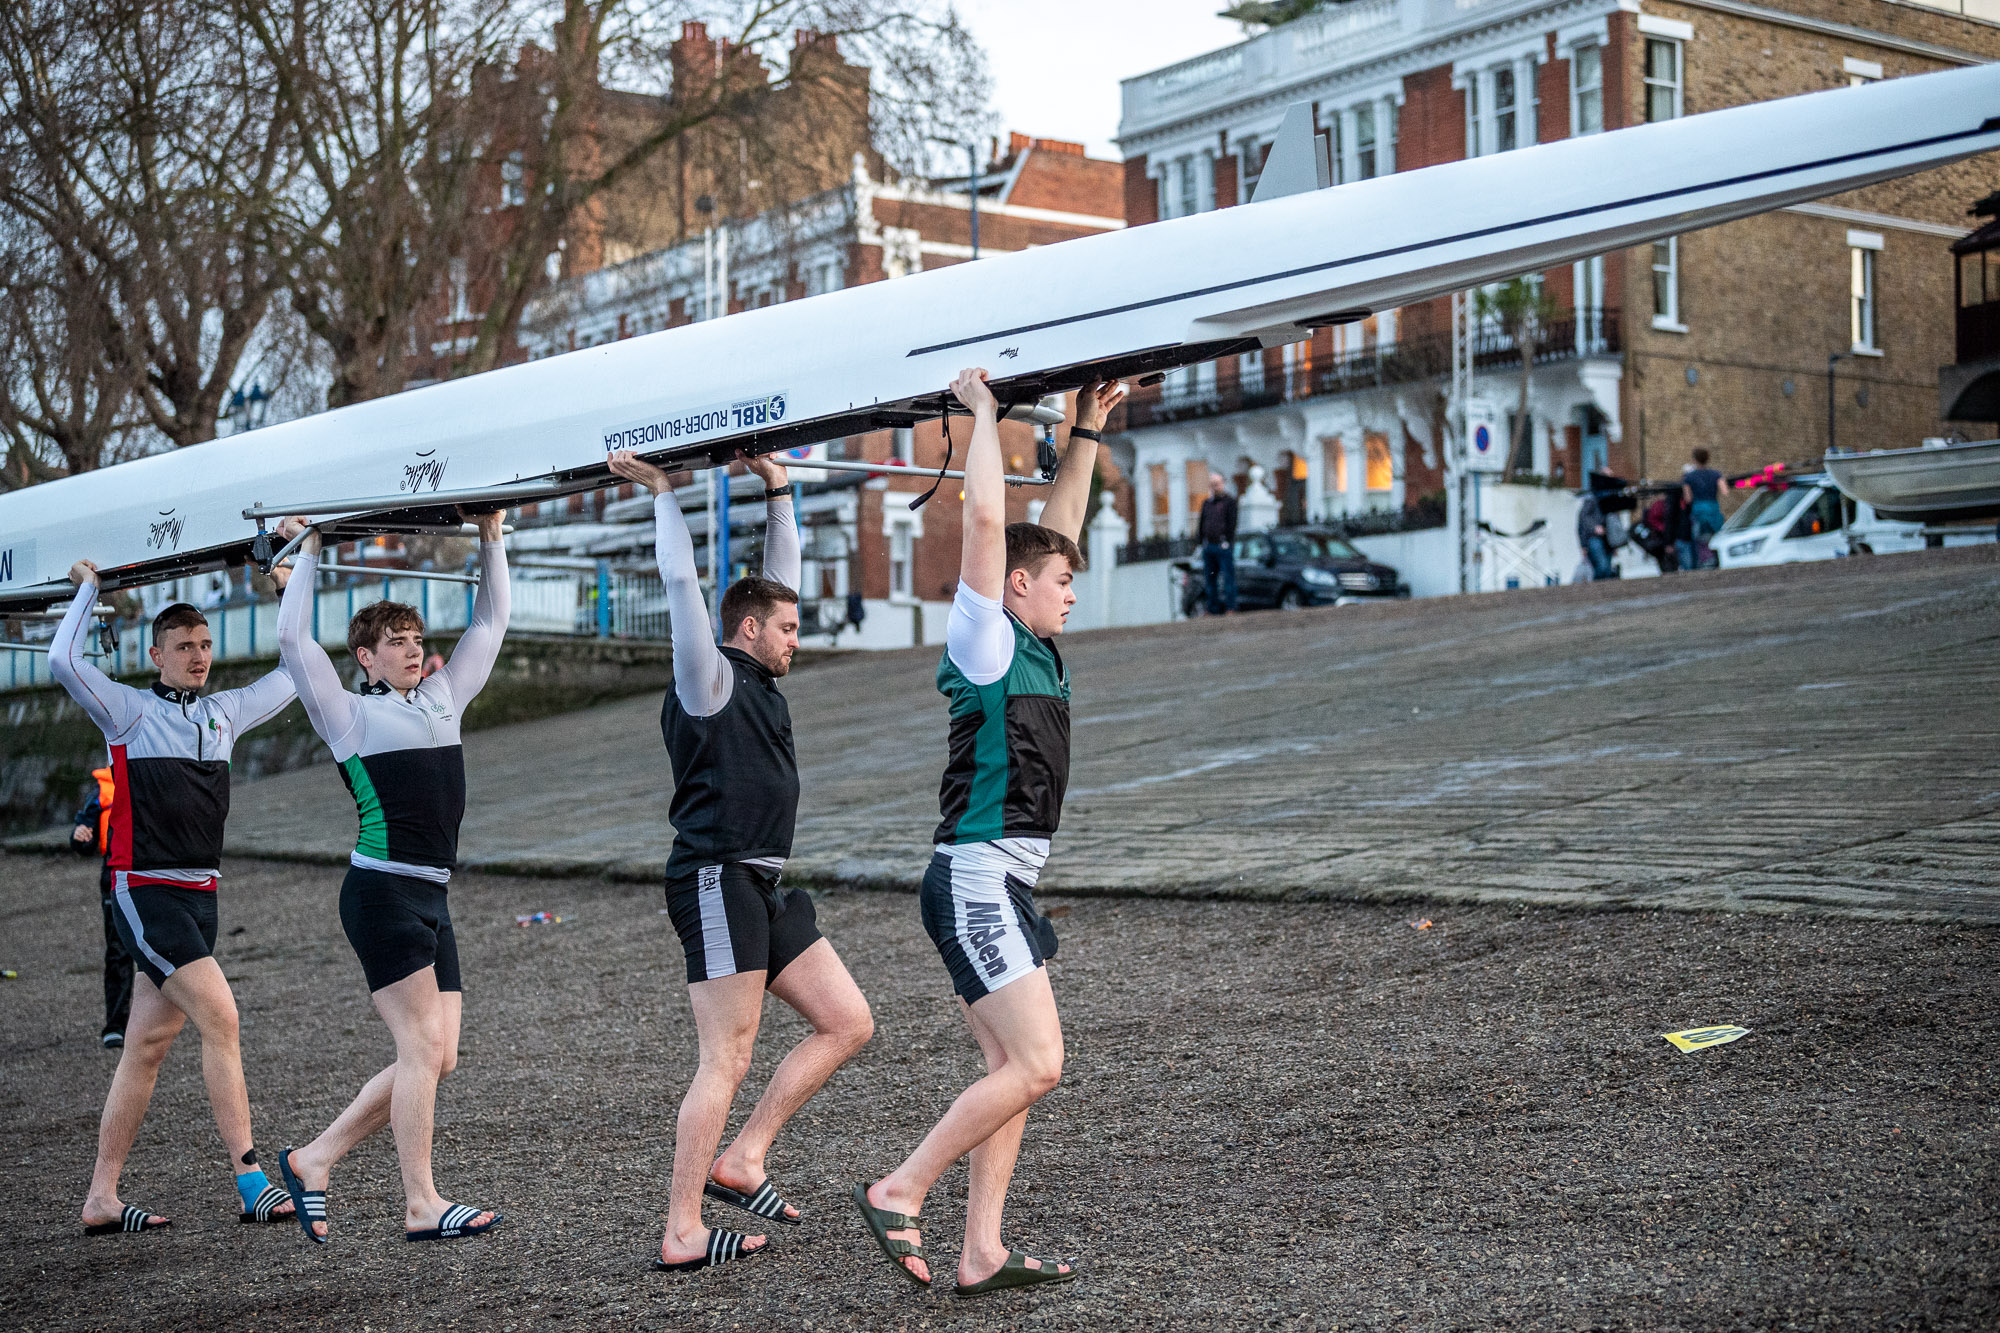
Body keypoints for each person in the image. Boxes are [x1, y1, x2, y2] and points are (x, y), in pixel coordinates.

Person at [853, 374, 1122, 1299]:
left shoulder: (1039, 642)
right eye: (1059, 583)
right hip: (976, 877)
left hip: (1003, 882)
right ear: (1017, 587)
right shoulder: (988, 639)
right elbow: (985, 530)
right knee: (1040, 1062)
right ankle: (902, 1185)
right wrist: (979, 421)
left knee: (1011, 1067)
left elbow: (1056, 532)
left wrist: (1083, 430)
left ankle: (981, 1250)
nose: (1071, 592)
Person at [604, 447, 875, 1274]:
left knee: (848, 1021)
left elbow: (776, 584)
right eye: (786, 628)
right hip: (714, 876)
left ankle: (744, 1157)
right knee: (726, 1055)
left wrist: (780, 486)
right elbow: (686, 589)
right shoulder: (708, 678)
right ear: (747, 630)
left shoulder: (760, 674)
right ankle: (682, 1226)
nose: (798, 637)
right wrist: (663, 494)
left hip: (761, 881)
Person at [271, 512, 509, 1245]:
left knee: (440, 1055)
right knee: (418, 1048)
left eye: (415, 641)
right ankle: (420, 1203)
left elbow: (492, 622)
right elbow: (292, 640)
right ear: (366, 659)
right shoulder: (347, 716)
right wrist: (307, 552)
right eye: (394, 644)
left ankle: (314, 1157)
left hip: (431, 895)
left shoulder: (443, 699)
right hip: (380, 892)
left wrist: (492, 536)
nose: (411, 650)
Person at [49, 569, 299, 1236]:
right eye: (182, 645)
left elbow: (299, 667)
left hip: (201, 897)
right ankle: (250, 1179)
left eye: (205, 643)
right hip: (143, 890)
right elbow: (61, 659)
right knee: (223, 1014)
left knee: (146, 1047)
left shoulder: (225, 712)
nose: (198, 655)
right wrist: (90, 588)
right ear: (155, 654)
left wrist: (287, 582)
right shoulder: (127, 711)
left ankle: (101, 1195)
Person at [70, 766, 133, 1048]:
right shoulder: (101, 791)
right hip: (115, 875)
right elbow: (87, 832)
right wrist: (80, 836)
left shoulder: (158, 769)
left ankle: (160, 1020)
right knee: (118, 949)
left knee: (161, 947)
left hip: (154, 871)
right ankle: (116, 1025)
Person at [1196, 472, 1238, 614]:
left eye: (1217, 484)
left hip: (1222, 545)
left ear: (1222, 484)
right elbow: (1201, 523)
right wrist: (1201, 541)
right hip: (1209, 546)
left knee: (1228, 578)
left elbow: (1232, 523)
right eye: (1212, 484)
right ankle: (1212, 608)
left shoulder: (1230, 502)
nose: (1215, 487)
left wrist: (1227, 540)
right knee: (1210, 579)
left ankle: (1230, 607)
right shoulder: (1207, 503)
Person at [1682, 448, 1725, 569]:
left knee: (1701, 541)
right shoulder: (1716, 474)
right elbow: (1724, 491)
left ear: (1694, 460)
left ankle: (1707, 562)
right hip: (1714, 509)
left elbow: (1688, 499)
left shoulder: (1689, 477)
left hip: (1699, 511)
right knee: (1715, 537)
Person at [1578, 489, 1616, 580]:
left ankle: (1604, 592)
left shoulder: (1610, 500)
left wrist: (1615, 544)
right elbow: (1582, 521)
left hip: (1608, 540)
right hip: (1594, 538)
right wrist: (1584, 544)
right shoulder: (1591, 500)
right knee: (1602, 566)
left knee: (1607, 569)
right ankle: (1595, 591)